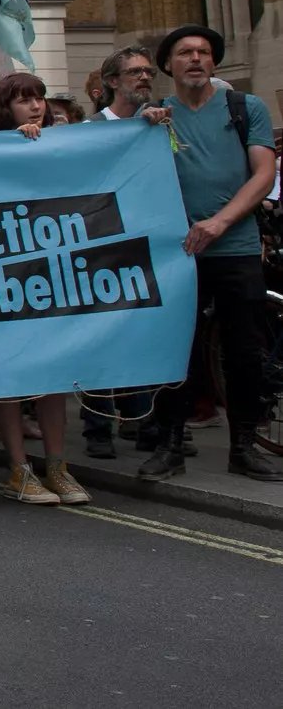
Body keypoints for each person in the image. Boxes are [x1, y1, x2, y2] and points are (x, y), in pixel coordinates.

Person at [139, 25, 282, 482]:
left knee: (245, 352)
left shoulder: (245, 108)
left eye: (204, 52)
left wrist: (220, 222)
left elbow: (263, 174)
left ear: (214, 63)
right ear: (169, 65)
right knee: (175, 350)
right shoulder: (156, 117)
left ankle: (243, 447)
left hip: (236, 248)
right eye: (185, 53)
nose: (196, 59)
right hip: (178, 252)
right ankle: (170, 444)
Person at [0, 73, 90, 505]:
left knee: (53, 373)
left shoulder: (59, 140)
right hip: (5, 273)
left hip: (51, 271)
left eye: (39, 98)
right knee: (10, 371)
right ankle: (19, 468)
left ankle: (57, 466)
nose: (36, 107)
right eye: (24, 100)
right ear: (7, 107)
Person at [82, 45, 157, 457]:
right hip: (98, 246)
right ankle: (98, 428)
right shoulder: (89, 129)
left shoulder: (159, 125)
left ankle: (142, 421)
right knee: (99, 336)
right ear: (112, 83)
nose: (144, 78)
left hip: (144, 244)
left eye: (148, 73)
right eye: (134, 73)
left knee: (142, 334)